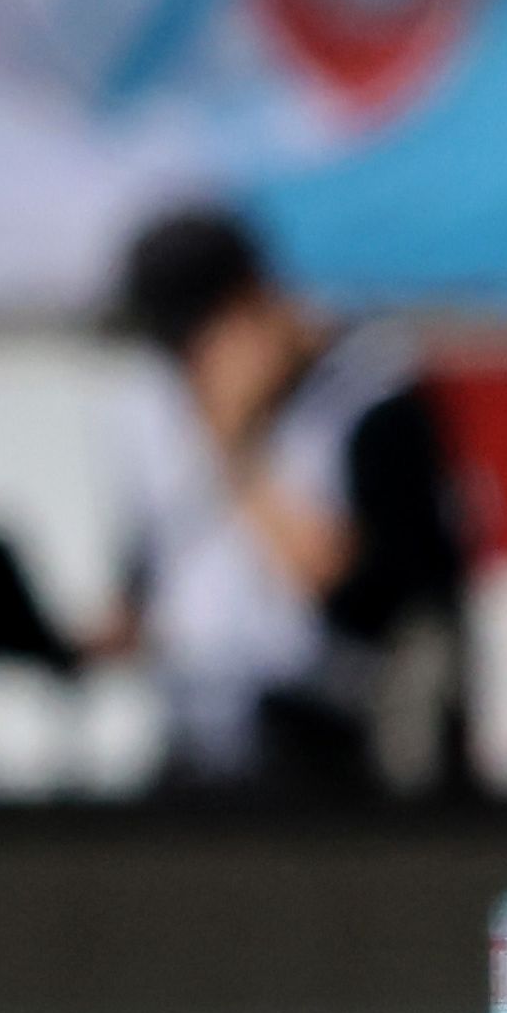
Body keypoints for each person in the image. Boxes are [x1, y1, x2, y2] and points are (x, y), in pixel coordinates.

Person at [102, 205, 473, 799]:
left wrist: (236, 445)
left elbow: (349, 585)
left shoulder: (371, 396)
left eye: (196, 339)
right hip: (193, 733)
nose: (185, 364)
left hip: (332, 742)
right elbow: (146, 572)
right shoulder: (154, 402)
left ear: (252, 305)